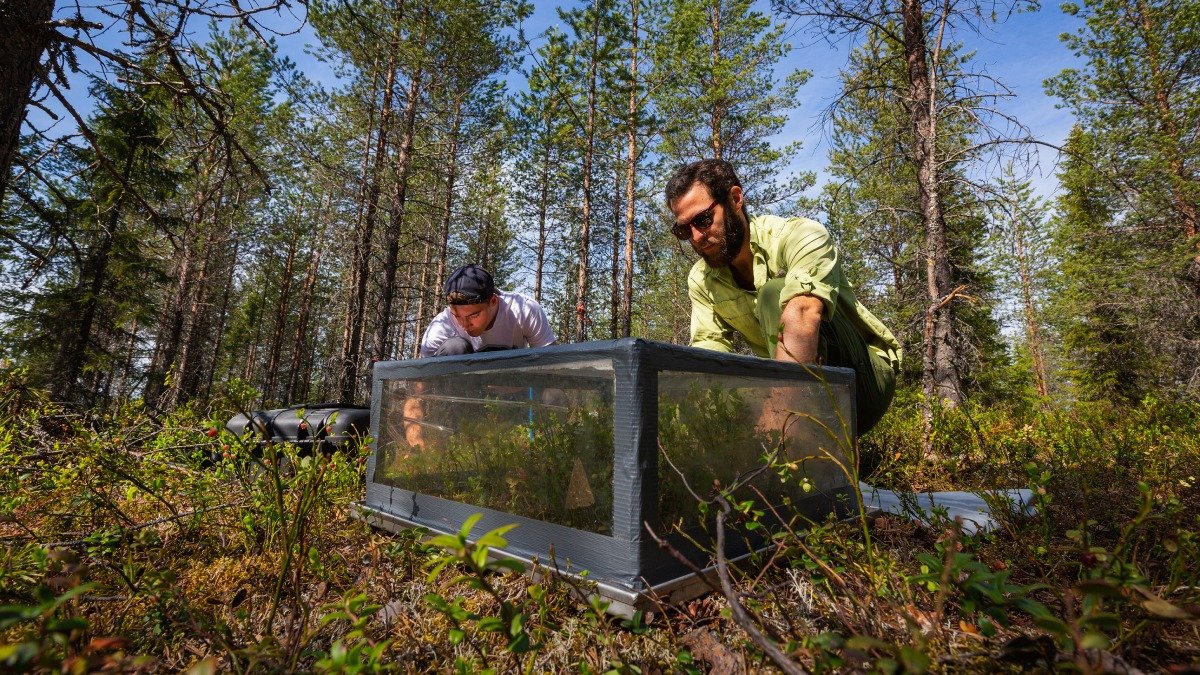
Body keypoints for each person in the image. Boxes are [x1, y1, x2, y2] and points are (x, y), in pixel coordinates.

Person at [665, 159, 901, 436]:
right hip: (792, 382)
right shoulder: (701, 279)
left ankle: (789, 442)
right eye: (683, 230)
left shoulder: (801, 235)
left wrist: (776, 423)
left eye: (703, 220)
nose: (696, 236)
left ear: (735, 198)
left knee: (775, 294)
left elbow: (803, 312)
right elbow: (709, 349)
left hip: (863, 382)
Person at [419, 264, 556, 357]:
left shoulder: (524, 310)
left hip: (516, 387)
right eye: (457, 316)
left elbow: (550, 360)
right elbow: (421, 379)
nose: (465, 325)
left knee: (553, 393)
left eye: (473, 316)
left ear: (493, 301)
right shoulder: (441, 325)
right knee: (454, 347)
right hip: (466, 391)